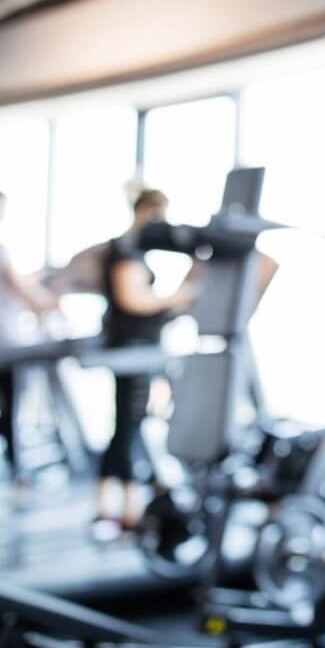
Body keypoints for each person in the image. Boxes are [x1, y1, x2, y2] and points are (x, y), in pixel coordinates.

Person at [94, 188, 198, 532]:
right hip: (132, 344)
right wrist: (174, 297)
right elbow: (133, 298)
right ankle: (123, 508)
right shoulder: (127, 248)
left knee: (129, 422)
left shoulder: (133, 249)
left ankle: (119, 505)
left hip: (140, 343)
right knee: (128, 423)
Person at [0, 189, 58, 481]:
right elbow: (16, 285)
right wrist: (45, 301)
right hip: (6, 336)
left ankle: (10, 463)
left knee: (7, 402)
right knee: (11, 404)